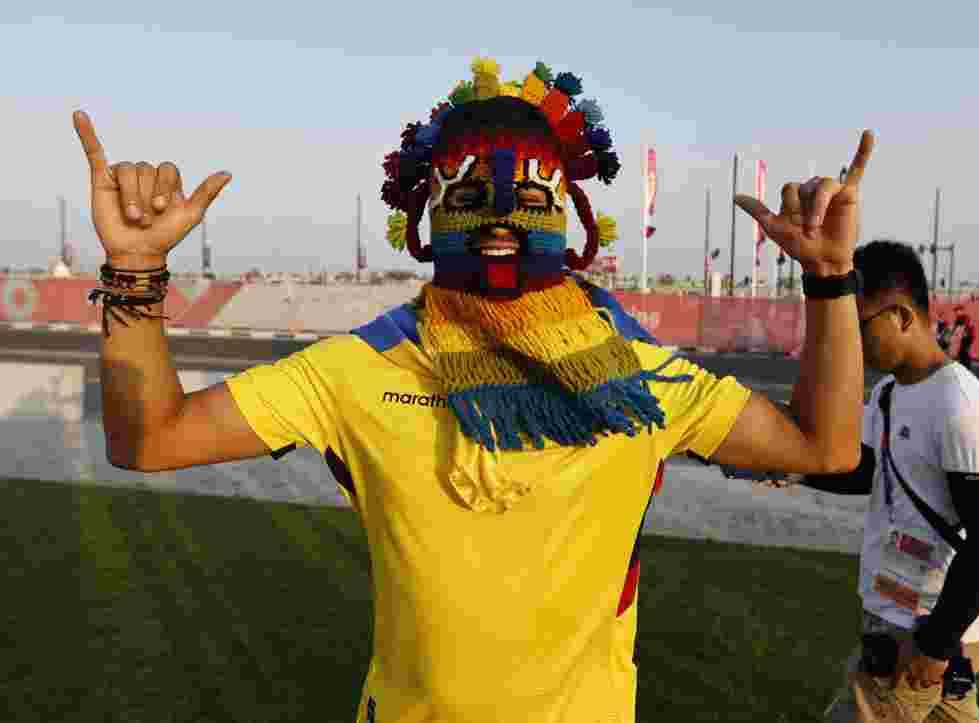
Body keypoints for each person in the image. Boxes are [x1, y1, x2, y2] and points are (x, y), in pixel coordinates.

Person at [72, 57, 873, 722]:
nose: (498, 222)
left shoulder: (639, 373)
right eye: (467, 197)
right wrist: (136, 270)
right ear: (423, 216)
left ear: (572, 213)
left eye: (529, 199)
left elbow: (825, 447)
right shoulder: (360, 366)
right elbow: (151, 438)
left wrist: (833, 281)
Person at [782, 240, 979, 722]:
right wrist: (797, 468)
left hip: (924, 628)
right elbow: (872, 471)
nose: (850, 341)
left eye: (858, 326)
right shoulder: (892, 392)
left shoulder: (960, 407)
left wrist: (936, 641)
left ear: (903, 317)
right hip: (905, 617)